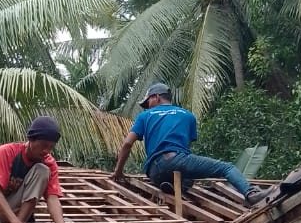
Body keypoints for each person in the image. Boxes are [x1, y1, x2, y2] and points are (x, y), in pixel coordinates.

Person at [111, 82, 266, 205]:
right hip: (178, 161)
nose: (147, 106)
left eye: (148, 101)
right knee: (227, 168)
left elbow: (127, 144)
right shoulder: (188, 115)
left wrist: (118, 171)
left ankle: (170, 184)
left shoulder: (145, 116)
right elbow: (186, 147)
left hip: (155, 171)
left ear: (156, 97)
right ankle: (251, 194)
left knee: (183, 176)